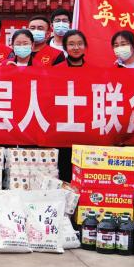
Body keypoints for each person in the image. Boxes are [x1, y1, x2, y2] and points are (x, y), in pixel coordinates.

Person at [53, 29, 88, 181]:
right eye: (71, 44)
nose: (76, 47)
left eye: (80, 44)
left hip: (86, 128)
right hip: (62, 128)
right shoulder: (55, 71)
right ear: (65, 47)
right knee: (64, 171)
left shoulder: (95, 71)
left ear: (85, 46)